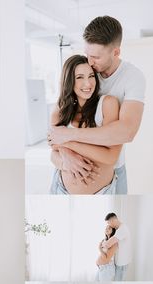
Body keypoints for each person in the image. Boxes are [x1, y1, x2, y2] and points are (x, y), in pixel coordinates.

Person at [49, 16, 146, 194]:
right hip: (62, 185)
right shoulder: (87, 69)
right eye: (88, 55)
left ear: (115, 52)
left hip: (113, 171)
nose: (90, 62)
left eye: (95, 57)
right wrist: (65, 154)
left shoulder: (133, 78)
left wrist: (69, 137)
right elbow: (54, 140)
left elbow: (126, 132)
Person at [49, 55, 122, 194]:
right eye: (79, 77)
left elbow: (111, 157)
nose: (88, 84)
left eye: (91, 76)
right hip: (61, 189)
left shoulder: (107, 104)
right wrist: (66, 161)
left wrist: (67, 143)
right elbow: (53, 154)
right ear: (69, 81)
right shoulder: (60, 109)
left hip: (102, 192)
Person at [104, 213, 131, 281]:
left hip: (122, 264)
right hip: (119, 263)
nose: (109, 225)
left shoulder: (122, 229)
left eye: (108, 223)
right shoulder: (119, 229)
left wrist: (101, 244)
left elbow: (107, 244)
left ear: (113, 220)